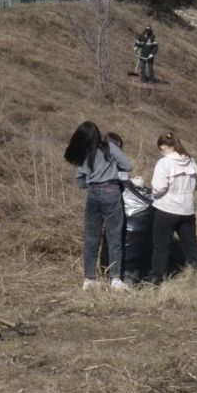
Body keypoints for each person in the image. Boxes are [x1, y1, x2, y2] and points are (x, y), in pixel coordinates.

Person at [65, 120, 131, 290]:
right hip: (112, 192)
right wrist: (112, 169)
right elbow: (128, 166)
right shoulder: (110, 147)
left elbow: (80, 182)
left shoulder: (84, 154)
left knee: (91, 237)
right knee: (114, 236)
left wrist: (93, 182)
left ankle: (89, 279)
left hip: (93, 195)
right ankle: (115, 279)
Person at [148, 131, 197, 281]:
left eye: (161, 149)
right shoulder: (191, 161)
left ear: (164, 147)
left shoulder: (164, 163)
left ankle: (157, 279)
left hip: (167, 210)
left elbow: (158, 188)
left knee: (161, 247)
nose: (161, 153)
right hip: (187, 210)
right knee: (191, 245)